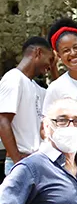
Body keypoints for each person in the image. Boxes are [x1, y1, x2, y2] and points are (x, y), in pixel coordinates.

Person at [44, 19, 77, 162]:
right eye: (66, 50)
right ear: (59, 56)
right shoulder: (56, 88)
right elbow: (46, 127)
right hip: (73, 153)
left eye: (76, 47)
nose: (73, 53)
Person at [0, 37, 52, 174]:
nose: (50, 65)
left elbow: (58, 93)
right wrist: (19, 164)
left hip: (36, 160)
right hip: (20, 161)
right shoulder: (13, 79)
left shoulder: (35, 87)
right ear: (38, 53)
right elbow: (3, 121)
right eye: (50, 60)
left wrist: (55, 69)